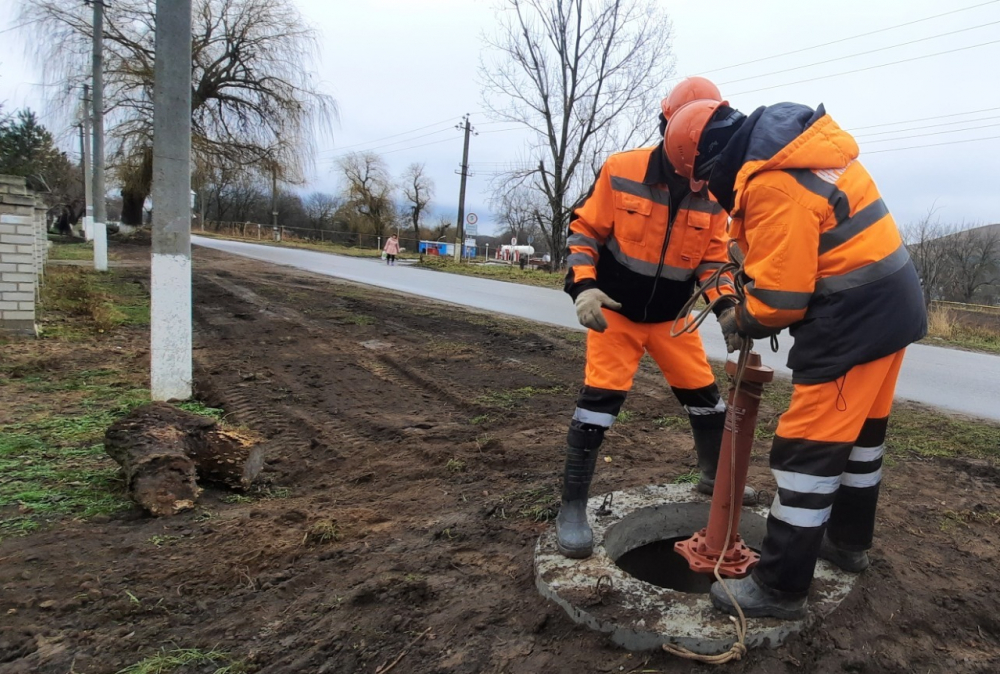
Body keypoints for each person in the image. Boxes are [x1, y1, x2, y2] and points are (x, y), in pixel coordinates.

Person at [664, 95, 927, 618]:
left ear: (709, 164)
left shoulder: (770, 183)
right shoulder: (797, 149)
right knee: (860, 442)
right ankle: (847, 544)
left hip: (853, 322)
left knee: (807, 451)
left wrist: (743, 318)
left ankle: (780, 586)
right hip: (889, 306)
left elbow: (782, 299)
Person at [557, 77, 755, 561]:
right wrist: (583, 287)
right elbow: (584, 230)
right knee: (597, 407)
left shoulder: (711, 188)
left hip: (671, 320)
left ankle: (714, 480)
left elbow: (711, 260)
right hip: (616, 315)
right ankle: (572, 508)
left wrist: (727, 307)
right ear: (669, 127)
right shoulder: (621, 170)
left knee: (708, 404)